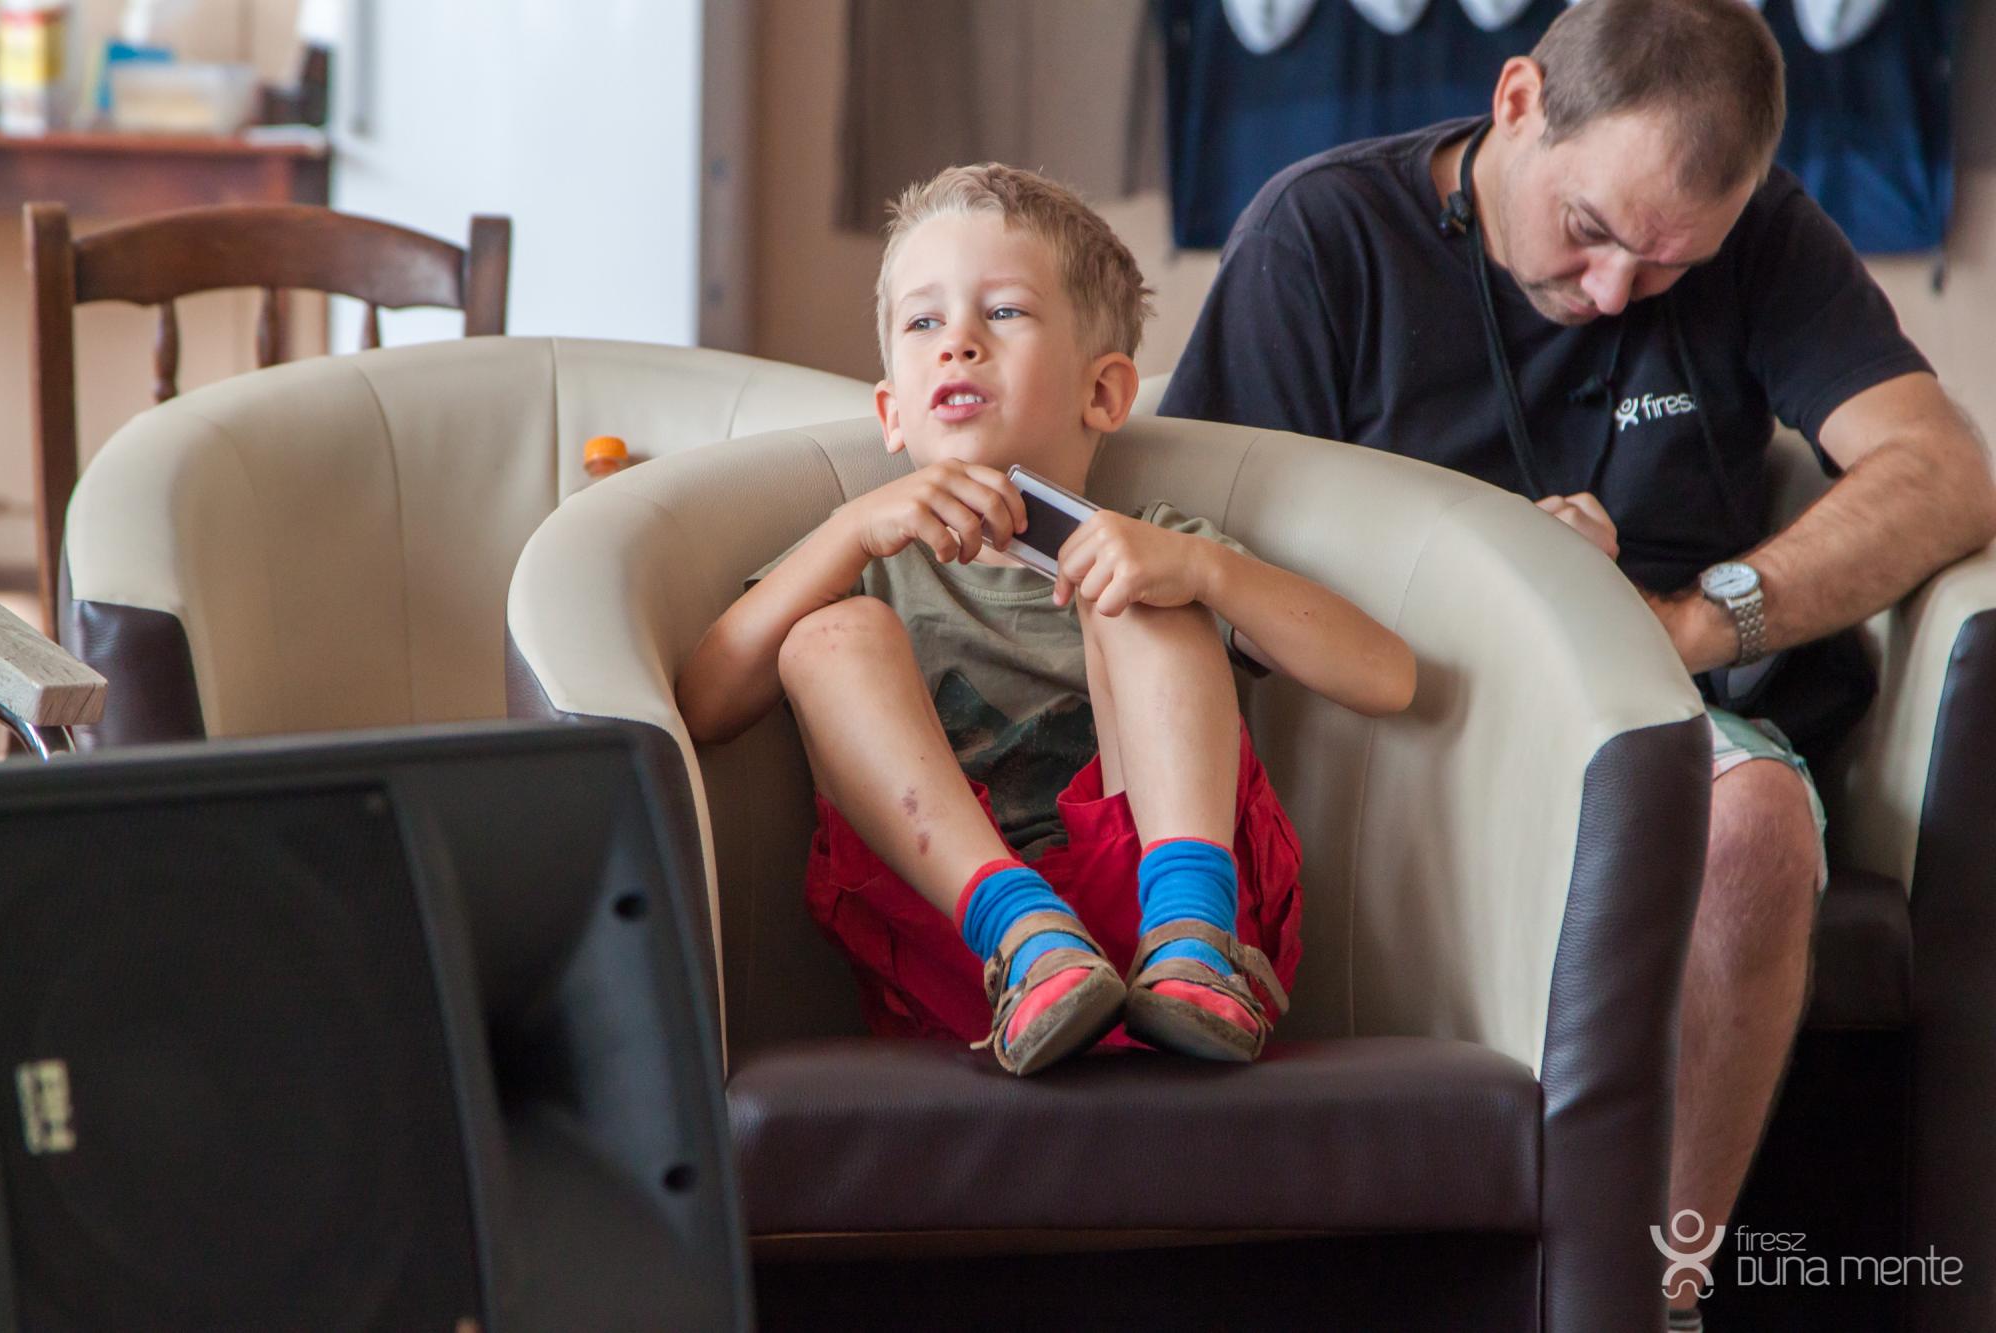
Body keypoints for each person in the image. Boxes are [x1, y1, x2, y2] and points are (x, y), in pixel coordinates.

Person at [1159, 0, 1996, 1325]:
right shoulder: (1319, 235)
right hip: (1389, 721)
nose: (1612, 293)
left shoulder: (1759, 235)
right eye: (1591, 231)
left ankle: (1655, 1296)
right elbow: (1199, 545)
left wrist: (1691, 621)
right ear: (1517, 103)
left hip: (1654, 700)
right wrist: (1504, 588)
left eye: (1667, 266)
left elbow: (1941, 470)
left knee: (1756, 820)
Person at [677, 164, 1415, 1076]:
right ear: (891, 413)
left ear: (1103, 393)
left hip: (1189, 933)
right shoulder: (863, 563)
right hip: (975, 952)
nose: (958, 343)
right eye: (924, 323)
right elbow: (704, 702)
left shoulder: (1158, 547)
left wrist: (1204, 570)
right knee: (827, 634)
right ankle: (1028, 932)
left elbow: (1387, 677)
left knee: (1134, 588)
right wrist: (848, 530)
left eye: (1004, 312)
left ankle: (1190, 930)